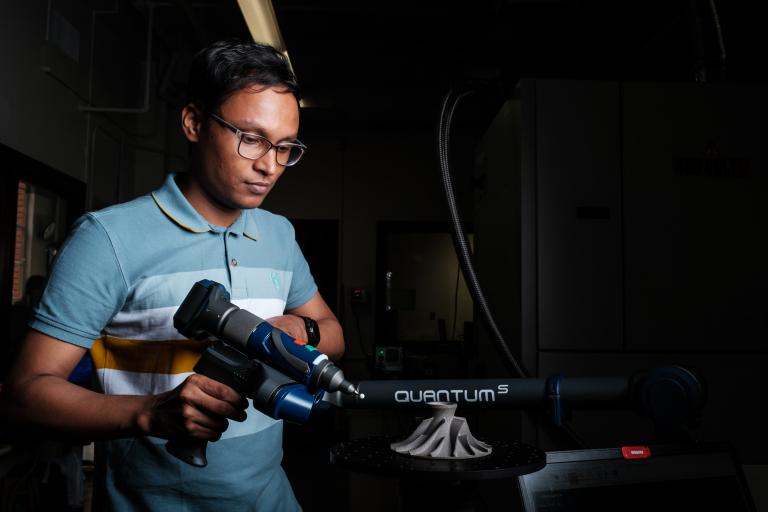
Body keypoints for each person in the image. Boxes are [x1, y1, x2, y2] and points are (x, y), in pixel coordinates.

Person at [0, 39, 344, 511]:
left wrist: (295, 330)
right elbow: (25, 394)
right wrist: (147, 413)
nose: (269, 165)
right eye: (251, 138)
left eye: (286, 148)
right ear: (194, 123)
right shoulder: (108, 238)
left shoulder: (279, 234)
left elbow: (333, 334)